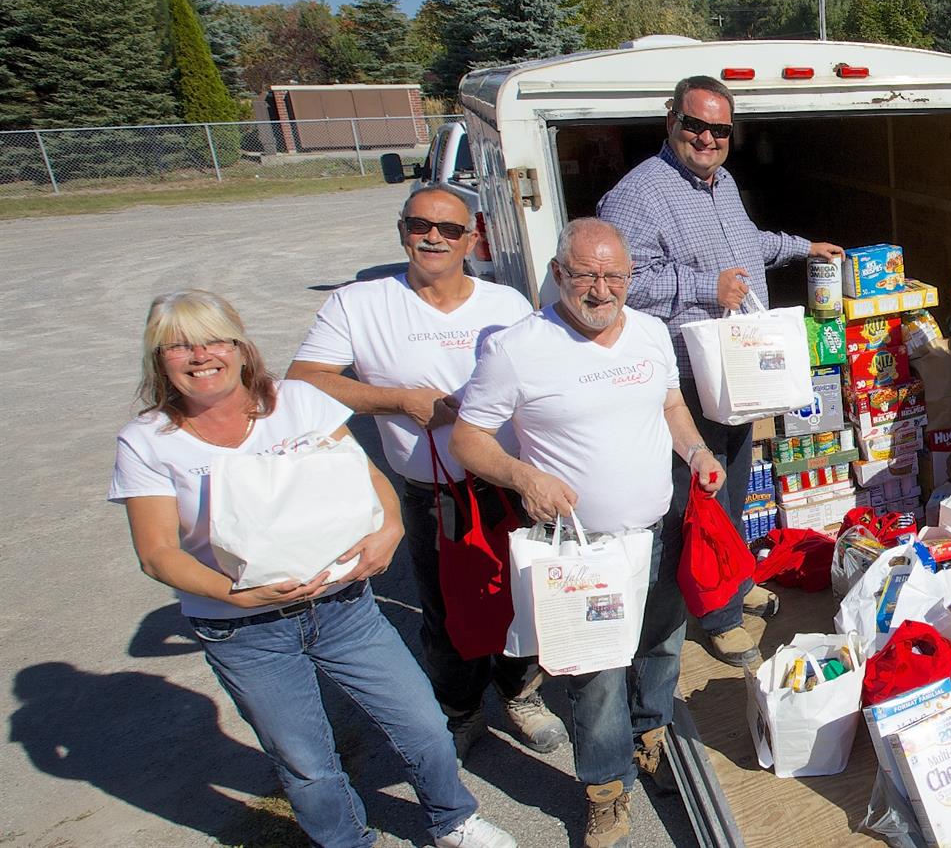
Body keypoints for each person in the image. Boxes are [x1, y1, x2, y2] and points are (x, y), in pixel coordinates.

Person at [109, 290, 516, 848]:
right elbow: (157, 553)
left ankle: (453, 819)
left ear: (241, 348)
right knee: (306, 760)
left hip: (344, 607)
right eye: (179, 347)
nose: (200, 356)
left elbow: (368, 479)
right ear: (159, 360)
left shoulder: (296, 401)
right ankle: (347, 840)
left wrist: (389, 531)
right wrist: (238, 595)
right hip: (246, 631)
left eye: (213, 341)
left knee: (421, 725)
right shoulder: (148, 442)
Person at [452, 219, 725, 847]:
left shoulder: (652, 332)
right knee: (596, 673)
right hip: (582, 549)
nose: (600, 290)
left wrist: (697, 453)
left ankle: (651, 734)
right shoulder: (517, 348)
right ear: (557, 275)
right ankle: (605, 788)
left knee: (660, 643)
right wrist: (524, 477)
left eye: (614, 277)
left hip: (656, 530)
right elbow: (467, 439)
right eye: (585, 275)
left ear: (630, 279)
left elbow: (671, 406)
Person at [287, 188, 558, 760]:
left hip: (506, 481)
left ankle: (522, 693)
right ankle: (459, 710)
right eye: (420, 225)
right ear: (402, 229)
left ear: (472, 239)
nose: (433, 237)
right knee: (447, 606)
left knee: (521, 596)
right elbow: (304, 379)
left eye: (450, 229)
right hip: (433, 490)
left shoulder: (506, 303)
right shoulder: (359, 303)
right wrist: (398, 401)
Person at [597, 75, 842, 672]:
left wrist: (802, 246)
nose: (707, 137)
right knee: (699, 506)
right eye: (695, 124)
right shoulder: (638, 195)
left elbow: (745, 243)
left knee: (733, 491)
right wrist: (708, 287)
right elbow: (622, 285)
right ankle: (717, 617)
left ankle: (731, 583)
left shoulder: (721, 182)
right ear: (670, 122)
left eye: (720, 129)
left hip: (732, 378)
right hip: (686, 383)